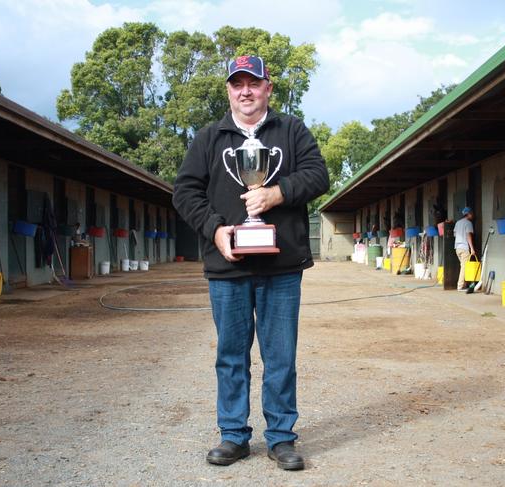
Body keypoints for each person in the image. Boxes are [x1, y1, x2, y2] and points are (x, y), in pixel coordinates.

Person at [172, 55, 329, 471]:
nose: (246, 91)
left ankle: (281, 438)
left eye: (254, 83)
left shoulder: (292, 131)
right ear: (228, 90)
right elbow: (185, 192)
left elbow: (318, 175)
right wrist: (215, 230)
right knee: (231, 354)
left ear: (267, 88)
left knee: (280, 355)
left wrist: (277, 194)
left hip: (281, 269)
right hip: (228, 268)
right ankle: (233, 435)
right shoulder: (209, 138)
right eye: (237, 83)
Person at [454, 206, 476, 291]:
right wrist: (472, 248)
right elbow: (468, 236)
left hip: (457, 248)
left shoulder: (458, 223)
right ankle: (460, 286)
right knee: (464, 267)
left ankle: (464, 284)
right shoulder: (468, 223)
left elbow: (455, 234)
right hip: (464, 248)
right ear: (469, 214)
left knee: (463, 266)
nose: (473, 215)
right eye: (472, 213)